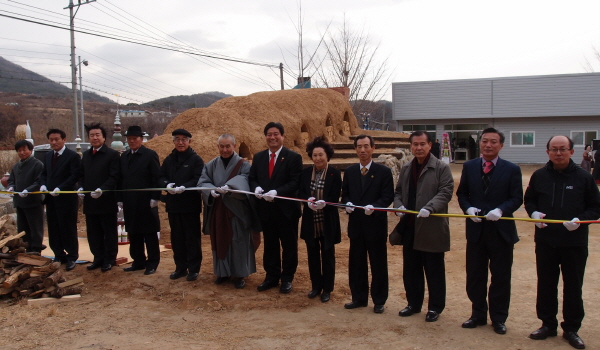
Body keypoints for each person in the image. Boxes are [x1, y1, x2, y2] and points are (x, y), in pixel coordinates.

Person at [524, 135, 600, 350]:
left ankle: (571, 328)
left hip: (574, 242)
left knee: (573, 286)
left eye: (563, 149)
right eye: (554, 149)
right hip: (546, 241)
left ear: (571, 152)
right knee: (546, 284)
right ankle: (547, 324)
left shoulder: (584, 178)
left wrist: (581, 221)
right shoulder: (539, 176)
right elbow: (529, 200)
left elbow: (596, 207)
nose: (558, 153)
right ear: (547, 151)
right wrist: (534, 213)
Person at [456, 127, 523, 334]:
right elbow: (462, 194)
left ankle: (499, 318)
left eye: (493, 142)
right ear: (480, 143)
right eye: (485, 141)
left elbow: (516, 198)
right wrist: (467, 209)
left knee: (500, 276)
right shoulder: (469, 166)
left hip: (501, 232)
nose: (488, 145)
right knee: (475, 275)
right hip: (476, 231)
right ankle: (477, 314)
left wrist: (501, 209)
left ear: (501, 145)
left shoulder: (511, 169)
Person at [393, 130, 453, 322]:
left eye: (422, 144)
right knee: (411, 268)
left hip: (432, 226)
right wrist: (399, 205)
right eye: (415, 144)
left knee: (434, 269)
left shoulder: (441, 168)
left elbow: (446, 191)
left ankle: (435, 307)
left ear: (430, 145)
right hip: (410, 225)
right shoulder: (407, 168)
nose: (418, 148)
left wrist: (430, 207)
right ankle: (413, 303)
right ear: (411, 146)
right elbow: (398, 191)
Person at [341, 134, 394, 314]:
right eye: (359, 147)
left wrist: (376, 206)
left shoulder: (383, 172)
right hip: (356, 225)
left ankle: (379, 300)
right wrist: (346, 204)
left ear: (373, 148)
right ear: (355, 149)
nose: (362, 150)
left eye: (366, 146)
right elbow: (345, 194)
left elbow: (388, 196)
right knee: (356, 263)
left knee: (378, 263)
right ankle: (359, 297)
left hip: (375, 225)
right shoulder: (350, 171)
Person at [199, 133, 258, 289]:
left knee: (238, 241)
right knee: (220, 240)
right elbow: (203, 181)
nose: (225, 149)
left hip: (237, 211)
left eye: (228, 146)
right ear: (218, 147)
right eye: (222, 146)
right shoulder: (211, 165)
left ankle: (239, 274)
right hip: (219, 210)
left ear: (234, 146)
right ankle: (222, 272)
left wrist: (231, 187)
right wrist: (210, 190)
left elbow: (245, 179)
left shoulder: (243, 165)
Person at [249, 122, 302, 294]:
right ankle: (271, 276)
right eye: (269, 134)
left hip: (286, 210)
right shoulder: (259, 157)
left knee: (288, 245)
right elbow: (253, 178)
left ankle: (287, 278)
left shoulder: (293, 157)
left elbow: (295, 182)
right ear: (265, 137)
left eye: (276, 134)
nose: (272, 137)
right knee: (270, 244)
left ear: (282, 136)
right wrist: (255, 187)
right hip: (266, 210)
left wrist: (277, 192)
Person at [298, 136, 341, 303]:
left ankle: (327, 289)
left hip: (327, 219)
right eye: (315, 155)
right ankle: (315, 286)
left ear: (327, 155)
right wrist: (306, 200)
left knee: (328, 255)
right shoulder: (306, 172)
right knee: (312, 254)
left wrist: (326, 203)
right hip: (311, 220)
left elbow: (335, 196)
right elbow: (301, 192)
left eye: (321, 155)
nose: (318, 158)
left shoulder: (334, 173)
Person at [159, 129, 204, 282]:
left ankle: (194, 269)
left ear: (189, 141)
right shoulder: (169, 159)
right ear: (173, 142)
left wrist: (185, 187)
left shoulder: (195, 160)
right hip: (173, 205)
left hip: (190, 205)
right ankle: (180, 267)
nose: (180, 142)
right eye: (177, 139)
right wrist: (167, 185)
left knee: (192, 238)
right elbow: (161, 176)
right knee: (177, 237)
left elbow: (199, 179)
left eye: (184, 139)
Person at [78, 123, 121, 273]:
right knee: (93, 232)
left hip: (106, 200)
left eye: (97, 135)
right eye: (92, 135)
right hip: (90, 201)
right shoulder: (86, 155)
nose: (94, 138)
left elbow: (114, 176)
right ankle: (97, 257)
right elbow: (81, 175)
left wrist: (103, 189)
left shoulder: (112, 154)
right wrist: (81, 187)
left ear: (103, 137)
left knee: (108, 232)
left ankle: (109, 259)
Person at [118, 125, 161, 275]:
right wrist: (120, 199)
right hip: (130, 201)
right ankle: (138, 261)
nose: (131, 141)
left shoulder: (150, 155)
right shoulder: (125, 156)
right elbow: (122, 179)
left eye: (134, 138)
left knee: (149, 233)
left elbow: (157, 177)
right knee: (133, 232)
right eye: (129, 139)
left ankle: (152, 263)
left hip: (146, 201)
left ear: (141, 139)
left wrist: (156, 197)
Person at [40, 128, 81, 271]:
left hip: (66, 199)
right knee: (54, 227)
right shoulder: (48, 156)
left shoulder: (72, 156)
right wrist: (44, 184)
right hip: (51, 199)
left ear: (64, 140)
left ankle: (71, 256)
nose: (54, 142)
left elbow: (74, 176)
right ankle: (58, 254)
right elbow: (44, 173)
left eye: (57, 139)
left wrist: (61, 188)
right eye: (51, 140)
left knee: (68, 227)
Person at [7, 140, 44, 253]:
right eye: (19, 150)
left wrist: (28, 190)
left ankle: (36, 249)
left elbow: (39, 181)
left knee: (35, 227)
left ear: (30, 150)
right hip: (20, 202)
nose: (22, 152)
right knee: (23, 228)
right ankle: (25, 248)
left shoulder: (37, 164)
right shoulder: (16, 166)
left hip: (33, 202)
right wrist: (11, 187)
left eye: (24, 150)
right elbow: (11, 180)